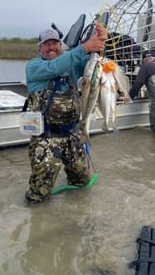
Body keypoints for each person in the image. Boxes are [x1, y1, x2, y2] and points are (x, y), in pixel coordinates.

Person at [25, 23, 107, 203]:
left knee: (82, 184)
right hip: (46, 139)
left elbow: (96, 63)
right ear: (40, 48)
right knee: (39, 195)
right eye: (47, 44)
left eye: (55, 43)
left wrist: (100, 42)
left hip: (74, 135)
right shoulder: (33, 67)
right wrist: (85, 46)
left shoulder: (73, 64)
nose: (51, 47)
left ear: (61, 46)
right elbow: (55, 67)